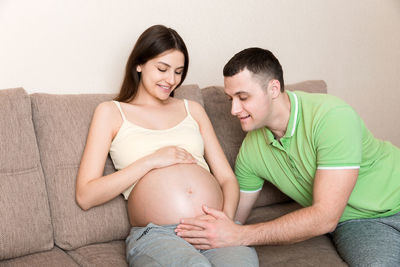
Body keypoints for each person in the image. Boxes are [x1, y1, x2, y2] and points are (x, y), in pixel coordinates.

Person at [175, 47, 400, 266]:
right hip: (357, 222)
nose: (234, 110)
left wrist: (241, 235)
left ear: (273, 89)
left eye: (243, 97)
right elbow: (235, 218)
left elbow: (325, 215)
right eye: (230, 99)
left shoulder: (332, 117)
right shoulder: (251, 151)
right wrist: (211, 231)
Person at [75, 25, 258, 267]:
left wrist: (225, 221)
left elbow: (227, 179)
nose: (171, 80)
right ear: (139, 64)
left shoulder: (192, 109)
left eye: (178, 72)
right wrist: (152, 161)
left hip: (212, 226)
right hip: (159, 235)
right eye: (162, 69)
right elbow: (86, 195)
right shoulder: (111, 112)